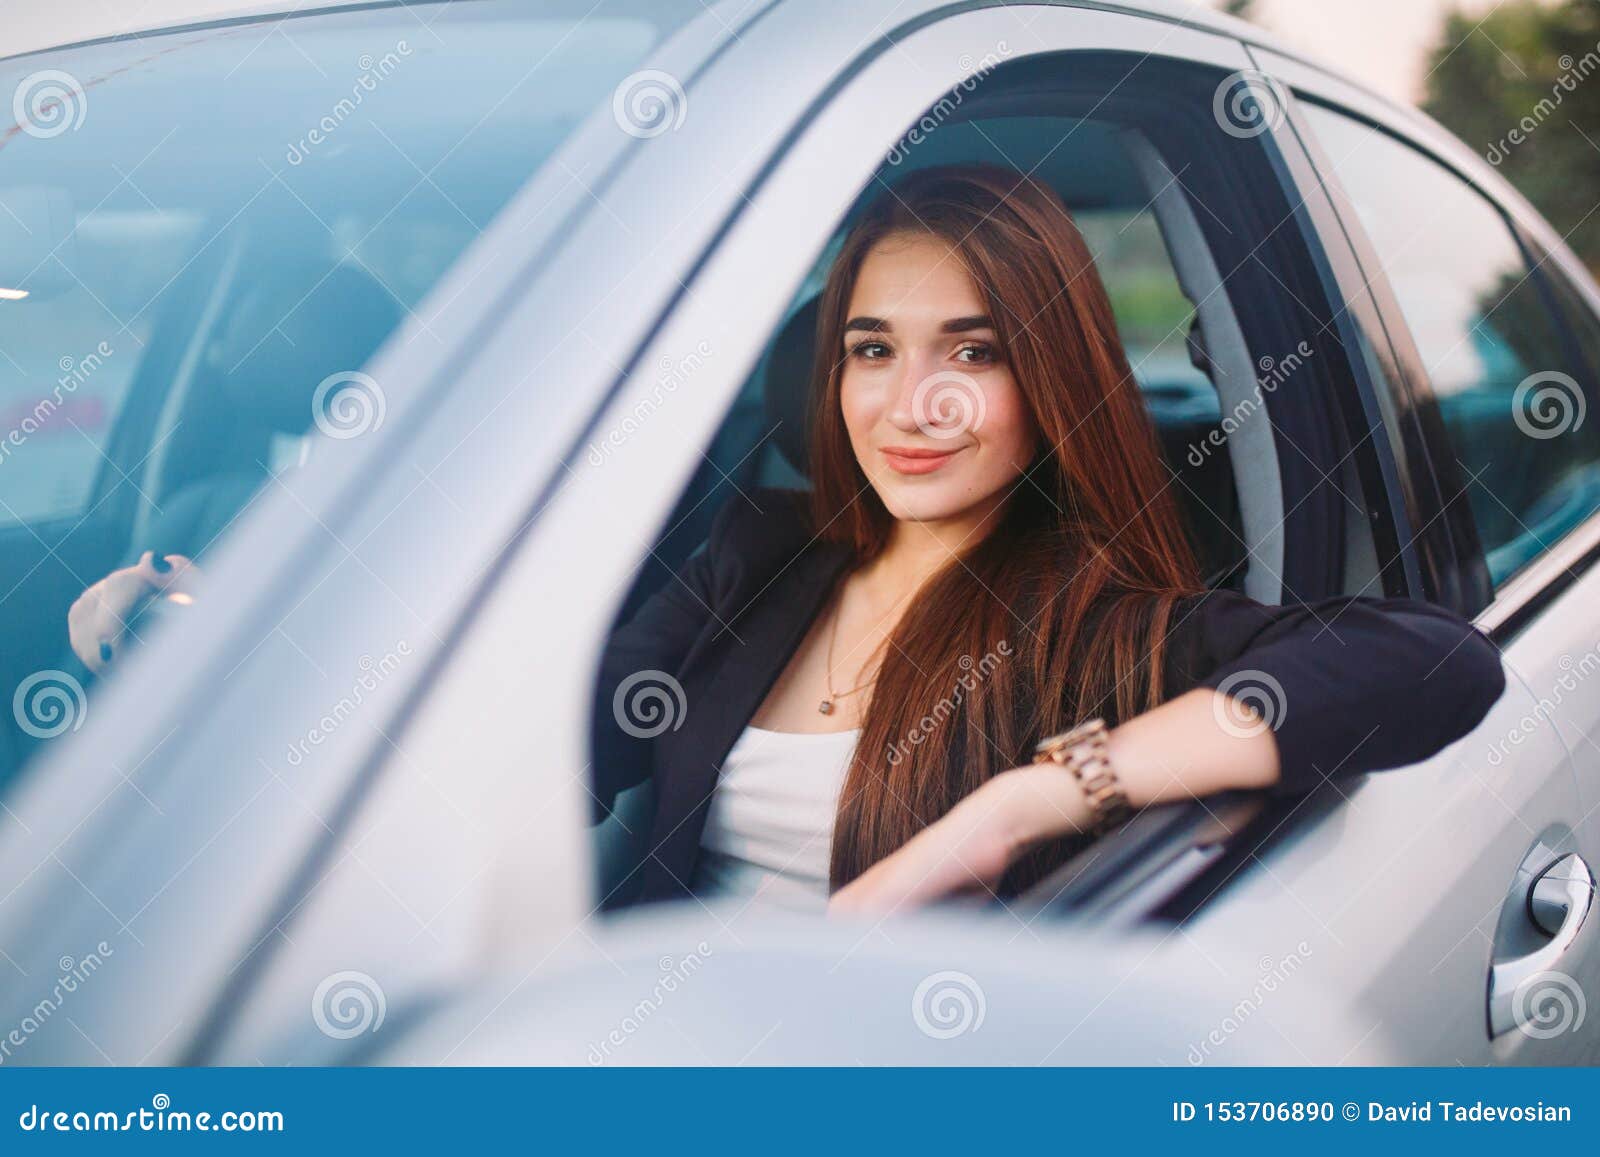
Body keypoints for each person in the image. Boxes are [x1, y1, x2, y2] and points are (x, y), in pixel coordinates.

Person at [591, 163, 1506, 917]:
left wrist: (1033, 798)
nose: (913, 406)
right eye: (874, 350)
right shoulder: (758, 554)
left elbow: (1438, 661)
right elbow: (566, 740)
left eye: (974, 351)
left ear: (1053, 381)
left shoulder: (1101, 626)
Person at [66, 263, 399, 675]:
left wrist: (223, 640)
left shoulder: (399, 550)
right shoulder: (198, 514)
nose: (214, 349)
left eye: (230, 332)